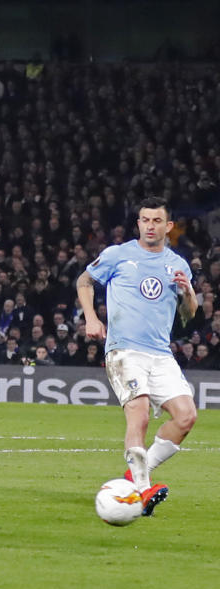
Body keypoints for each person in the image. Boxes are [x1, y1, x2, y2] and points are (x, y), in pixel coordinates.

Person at [77, 196, 198, 518]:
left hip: (160, 353)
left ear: (168, 226)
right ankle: (143, 489)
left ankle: (135, 474)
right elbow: (84, 281)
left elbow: (189, 315)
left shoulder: (178, 265)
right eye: (145, 220)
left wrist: (188, 293)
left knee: (186, 416)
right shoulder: (119, 255)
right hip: (124, 350)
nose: (150, 225)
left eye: (157, 221)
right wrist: (91, 317)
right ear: (139, 224)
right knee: (139, 414)